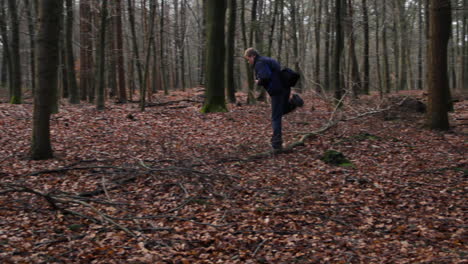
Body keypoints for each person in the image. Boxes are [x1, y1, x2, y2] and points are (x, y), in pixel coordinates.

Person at [244, 48, 304, 150]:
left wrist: (259, 82)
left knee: (276, 117)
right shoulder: (266, 60)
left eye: (248, 58)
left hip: (277, 91)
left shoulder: (259, 63)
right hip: (285, 88)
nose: (248, 61)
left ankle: (277, 143)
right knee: (282, 111)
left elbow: (266, 77)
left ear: (253, 56)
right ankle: (294, 101)